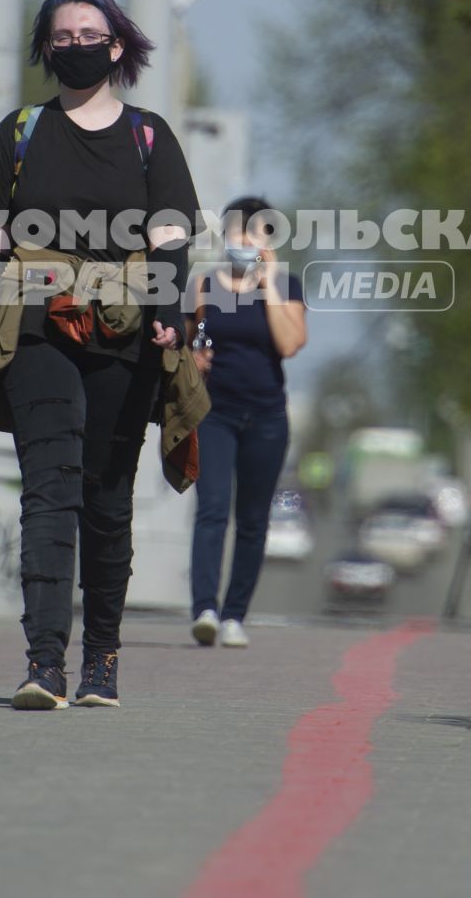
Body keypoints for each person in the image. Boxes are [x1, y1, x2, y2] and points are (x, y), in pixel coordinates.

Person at [0, 0, 201, 710]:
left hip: (127, 334)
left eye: (91, 33)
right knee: (50, 489)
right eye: (63, 35)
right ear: (45, 48)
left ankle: (103, 660)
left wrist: (170, 315)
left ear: (117, 47)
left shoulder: (150, 138)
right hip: (35, 326)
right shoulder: (18, 134)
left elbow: (171, 241)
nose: (77, 44)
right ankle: (44, 662)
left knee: (106, 499)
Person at [187, 197, 307, 648]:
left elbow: (291, 344)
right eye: (238, 232)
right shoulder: (201, 283)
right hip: (214, 412)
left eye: (256, 233)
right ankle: (205, 610)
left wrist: (269, 282)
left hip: (267, 418)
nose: (244, 241)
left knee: (253, 519)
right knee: (212, 509)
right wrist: (193, 356)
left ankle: (236, 614)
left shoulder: (288, 285)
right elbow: (182, 341)